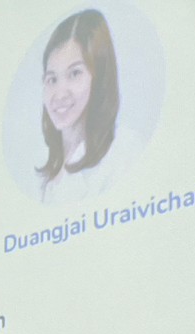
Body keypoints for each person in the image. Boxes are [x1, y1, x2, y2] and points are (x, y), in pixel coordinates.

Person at [36, 10, 131, 204]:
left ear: (99, 77)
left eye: (74, 74)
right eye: (52, 79)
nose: (60, 94)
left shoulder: (122, 153)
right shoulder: (41, 169)